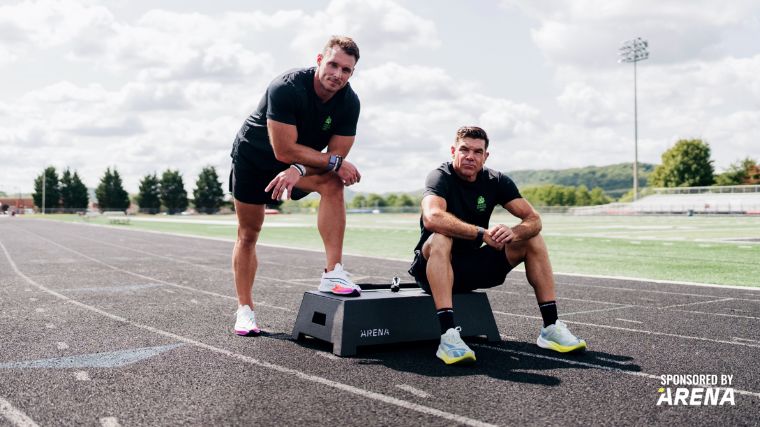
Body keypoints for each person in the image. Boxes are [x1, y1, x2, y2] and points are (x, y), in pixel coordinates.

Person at [409, 126, 587, 364]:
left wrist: (512, 233)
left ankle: (551, 327)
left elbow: (534, 220)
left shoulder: (496, 180)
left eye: (477, 151)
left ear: (485, 156)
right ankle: (448, 336)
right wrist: (482, 233)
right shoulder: (440, 176)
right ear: (453, 151)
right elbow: (432, 218)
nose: (470, 156)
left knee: (531, 238)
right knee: (441, 236)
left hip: (470, 268)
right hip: (433, 267)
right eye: (464, 149)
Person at [229, 36, 363, 337]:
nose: (338, 75)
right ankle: (245, 310)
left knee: (333, 183)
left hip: (297, 164)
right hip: (255, 160)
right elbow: (283, 150)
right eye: (333, 65)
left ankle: (333, 273)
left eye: (346, 70)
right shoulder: (286, 87)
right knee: (249, 234)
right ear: (319, 60)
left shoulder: (349, 102)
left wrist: (299, 168)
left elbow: (336, 157)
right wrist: (300, 162)